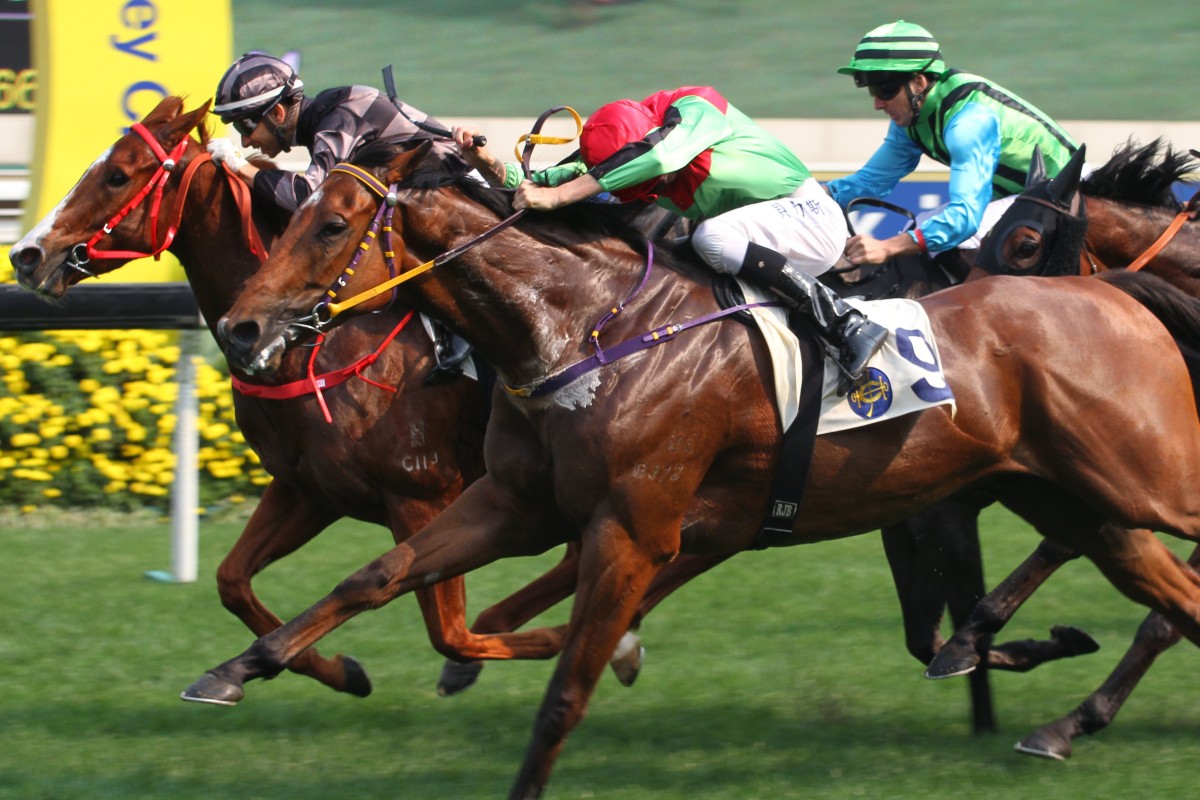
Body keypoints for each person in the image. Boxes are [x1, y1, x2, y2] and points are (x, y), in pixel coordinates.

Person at [452, 86, 887, 384]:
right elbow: (542, 182)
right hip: (761, 236)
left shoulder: (697, 107)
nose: (653, 193)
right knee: (665, 269)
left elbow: (659, 157)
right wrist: (488, 162)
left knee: (709, 236)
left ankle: (847, 324)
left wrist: (562, 195)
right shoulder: (620, 149)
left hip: (809, 218)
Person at [827, 21, 1079, 268]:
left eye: (885, 89)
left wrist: (888, 246)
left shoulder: (969, 122)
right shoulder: (910, 120)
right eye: (872, 91)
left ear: (919, 83)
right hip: (1023, 196)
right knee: (917, 232)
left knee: (946, 243)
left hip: (1070, 196)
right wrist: (809, 196)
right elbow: (870, 182)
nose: (878, 104)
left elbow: (964, 219)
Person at [208, 52, 463, 214]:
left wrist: (241, 166)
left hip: (462, 193)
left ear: (277, 114)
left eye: (245, 126)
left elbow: (312, 197)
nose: (245, 140)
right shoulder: (325, 118)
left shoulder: (339, 116)